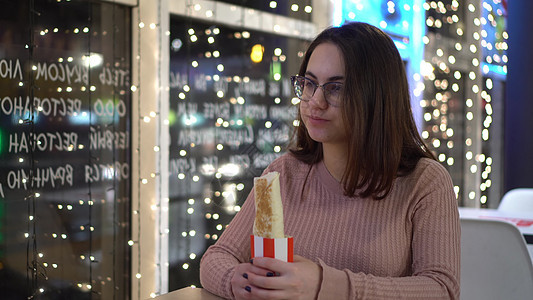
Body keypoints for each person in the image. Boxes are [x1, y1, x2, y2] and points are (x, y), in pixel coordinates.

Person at [199, 22, 460, 299]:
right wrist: (237, 281)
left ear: (377, 97)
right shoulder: (283, 173)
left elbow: (441, 289)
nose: (315, 101)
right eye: (309, 84)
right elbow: (217, 258)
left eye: (335, 88)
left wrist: (324, 285)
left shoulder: (425, 181)